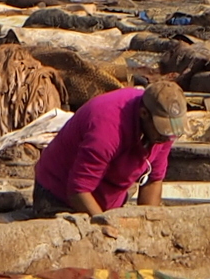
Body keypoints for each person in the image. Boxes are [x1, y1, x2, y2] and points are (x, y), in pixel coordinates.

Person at [32, 81, 188, 216]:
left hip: (108, 195)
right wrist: (102, 224)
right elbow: (78, 190)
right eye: (163, 131)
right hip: (60, 194)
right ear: (144, 114)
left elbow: (153, 180)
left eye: (171, 134)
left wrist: (148, 226)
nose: (168, 139)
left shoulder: (164, 132)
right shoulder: (107, 128)